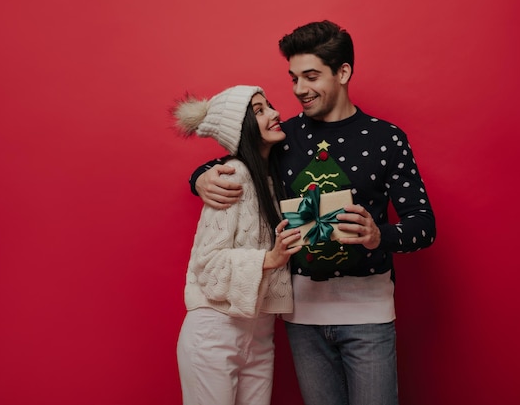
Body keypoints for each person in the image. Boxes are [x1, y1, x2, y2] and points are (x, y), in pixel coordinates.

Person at [190, 21, 436, 405]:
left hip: (369, 314)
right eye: (293, 78)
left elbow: (423, 224)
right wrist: (200, 177)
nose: (299, 90)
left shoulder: (387, 138)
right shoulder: (284, 138)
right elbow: (240, 162)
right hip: (301, 318)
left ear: (343, 72)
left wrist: (379, 235)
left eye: (310, 76)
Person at [172, 85, 302, 405]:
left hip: (260, 335)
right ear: (240, 128)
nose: (275, 114)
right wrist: (269, 259)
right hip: (215, 333)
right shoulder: (231, 177)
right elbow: (208, 264)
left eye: (269, 106)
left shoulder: (274, 181)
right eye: (259, 111)